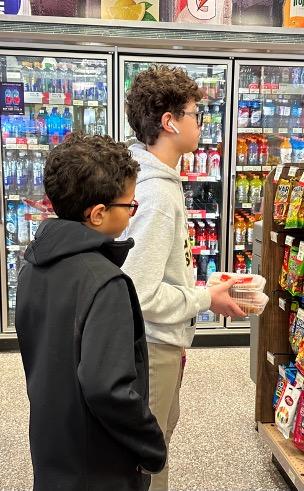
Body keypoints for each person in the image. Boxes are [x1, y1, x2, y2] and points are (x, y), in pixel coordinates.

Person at [15, 133, 167, 491]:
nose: (133, 212)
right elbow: (107, 388)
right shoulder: (105, 283)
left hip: (53, 442)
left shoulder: (32, 266)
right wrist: (150, 445)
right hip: (100, 463)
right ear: (98, 214)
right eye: (129, 206)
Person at [121, 65, 245, 491]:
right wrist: (204, 300)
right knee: (149, 458)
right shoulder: (155, 194)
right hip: (153, 345)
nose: (202, 122)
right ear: (170, 122)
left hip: (159, 340)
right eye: (197, 113)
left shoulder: (152, 179)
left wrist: (202, 290)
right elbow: (137, 294)